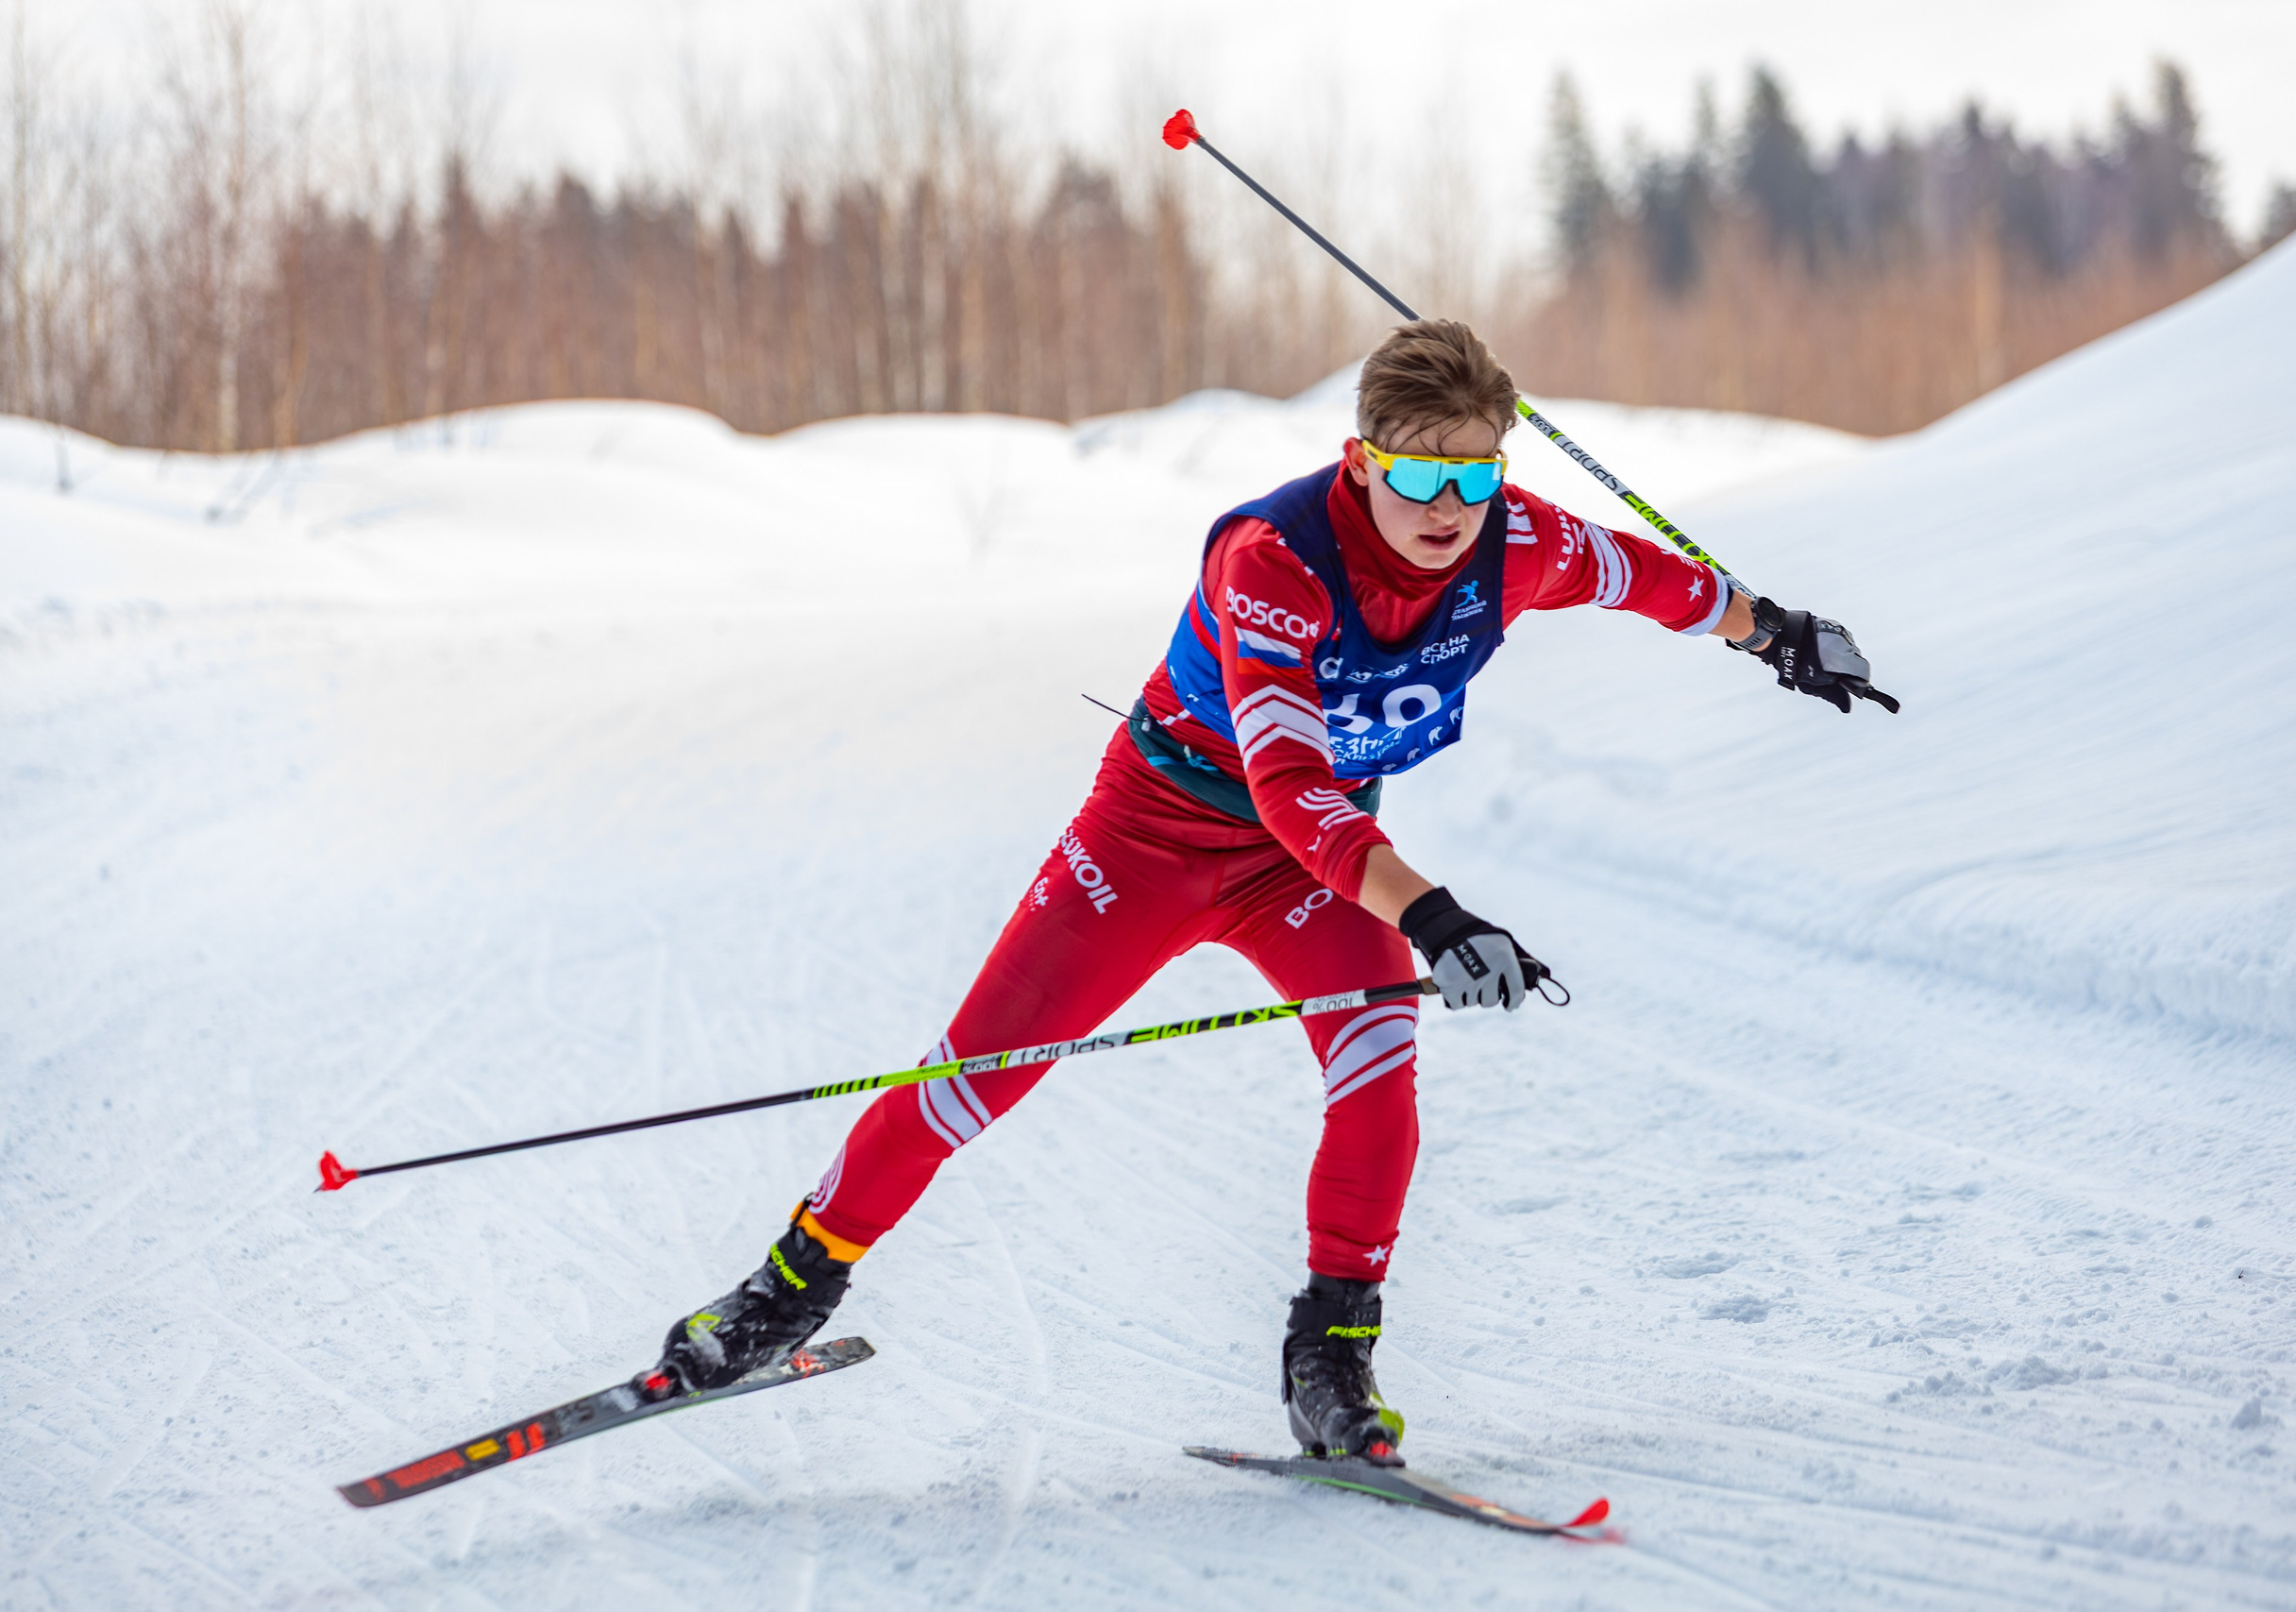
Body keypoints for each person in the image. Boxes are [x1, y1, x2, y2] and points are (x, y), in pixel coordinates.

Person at [633, 320, 1889, 1465]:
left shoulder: (1520, 543)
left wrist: (1773, 633)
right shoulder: (1274, 559)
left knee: (1378, 1057)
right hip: (1158, 832)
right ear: (1362, 461)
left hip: (1318, 865)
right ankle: (788, 1289)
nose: (1448, 507)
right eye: (1420, 477)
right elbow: (1288, 786)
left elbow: (1651, 581)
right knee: (976, 1078)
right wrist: (1432, 912)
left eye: (1475, 475)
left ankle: (1329, 1360)